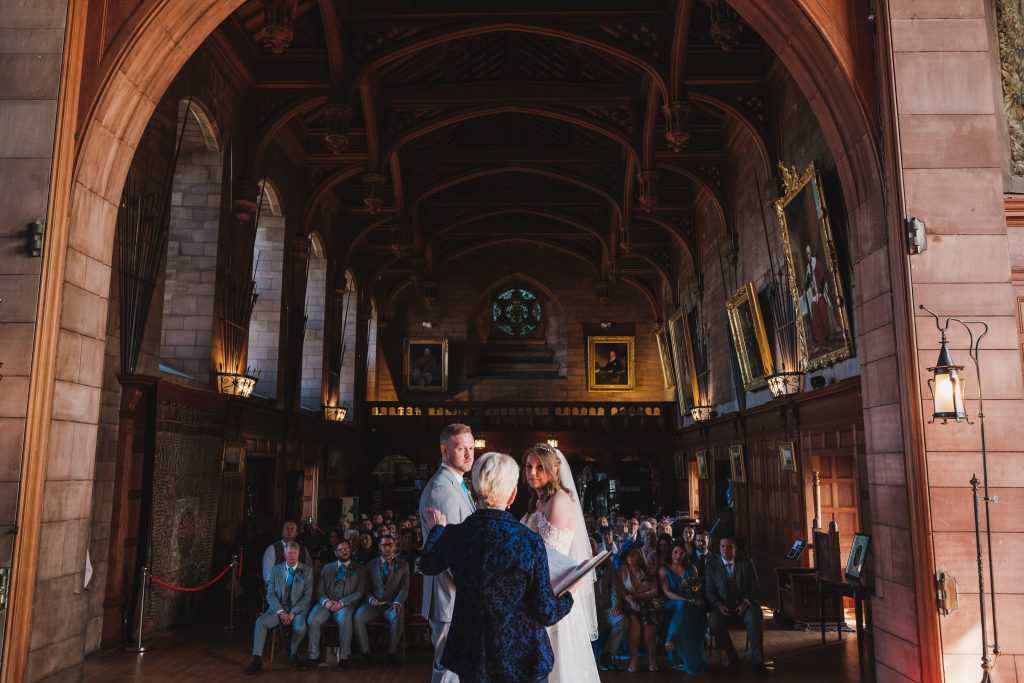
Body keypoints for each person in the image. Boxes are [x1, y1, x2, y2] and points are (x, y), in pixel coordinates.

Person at [420, 451, 573, 683]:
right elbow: (546, 612)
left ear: (474, 491)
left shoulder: (457, 535)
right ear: (512, 495)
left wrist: (437, 530)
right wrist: (569, 596)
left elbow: (428, 564)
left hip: (473, 654)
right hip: (522, 655)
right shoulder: (529, 542)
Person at [521, 443, 601, 683]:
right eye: (528, 466)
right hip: (539, 588)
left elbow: (547, 554)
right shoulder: (538, 501)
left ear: (554, 470)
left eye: (539, 468)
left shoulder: (559, 500)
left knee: (558, 663)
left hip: (553, 591)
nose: (532, 472)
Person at [418, 423, 477, 683]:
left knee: (454, 669)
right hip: (449, 596)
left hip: (454, 596)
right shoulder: (443, 490)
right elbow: (451, 552)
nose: (468, 454)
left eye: (471, 448)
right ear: (444, 450)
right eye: (461, 448)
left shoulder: (457, 484)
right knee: (448, 673)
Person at [246, 542, 313, 674]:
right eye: (289, 553)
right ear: (284, 554)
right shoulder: (276, 570)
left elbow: (307, 598)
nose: (292, 556)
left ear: (298, 554)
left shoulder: (307, 571)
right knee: (261, 622)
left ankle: (293, 654)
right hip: (279, 609)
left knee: (301, 627)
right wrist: (281, 612)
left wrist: (293, 613)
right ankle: (256, 659)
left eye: (294, 553)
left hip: (297, 610)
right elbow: (270, 595)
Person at [705, 537, 768, 677]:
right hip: (723, 607)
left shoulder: (746, 562)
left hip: (745, 605)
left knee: (754, 617)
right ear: (719, 547)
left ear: (735, 548)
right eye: (722, 546)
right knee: (714, 621)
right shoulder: (711, 565)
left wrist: (745, 603)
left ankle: (758, 662)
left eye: (729, 547)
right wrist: (718, 604)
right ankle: (733, 658)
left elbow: (755, 587)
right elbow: (709, 591)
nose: (725, 550)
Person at [303, 540, 365, 671]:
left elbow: (359, 592)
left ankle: (343, 658)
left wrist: (342, 603)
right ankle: (312, 656)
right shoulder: (327, 568)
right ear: (336, 553)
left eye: (347, 549)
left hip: (345, 604)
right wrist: (326, 602)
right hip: (327, 602)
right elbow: (319, 590)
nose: (345, 552)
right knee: (312, 620)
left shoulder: (359, 569)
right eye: (341, 550)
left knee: (345, 621)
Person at [355, 535, 410, 668]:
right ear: (379, 546)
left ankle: (391, 655)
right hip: (373, 604)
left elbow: (404, 587)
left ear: (394, 546)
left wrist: (398, 602)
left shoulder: (403, 565)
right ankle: (366, 654)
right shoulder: (370, 565)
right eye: (384, 545)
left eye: (390, 544)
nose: (387, 547)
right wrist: (370, 599)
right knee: (358, 618)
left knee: (397, 617)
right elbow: (365, 588)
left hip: (391, 604)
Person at [660, 542, 707, 674]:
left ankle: (681, 651)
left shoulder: (691, 568)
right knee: (682, 605)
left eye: (681, 553)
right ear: (671, 552)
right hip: (671, 605)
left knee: (689, 609)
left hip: (690, 606)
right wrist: (686, 599)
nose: (678, 556)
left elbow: (696, 590)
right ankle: (672, 639)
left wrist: (694, 598)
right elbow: (667, 592)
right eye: (675, 552)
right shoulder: (664, 569)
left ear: (685, 555)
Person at [618, 547, 661, 673]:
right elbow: (621, 591)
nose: (630, 557)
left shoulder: (648, 571)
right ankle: (634, 659)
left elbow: (654, 590)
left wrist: (639, 597)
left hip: (647, 603)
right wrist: (631, 600)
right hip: (628, 604)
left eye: (633, 554)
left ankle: (652, 658)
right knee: (634, 623)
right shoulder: (621, 571)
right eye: (628, 555)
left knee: (648, 623)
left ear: (640, 556)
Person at [595, 551, 626, 671]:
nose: (592, 551)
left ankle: (607, 654)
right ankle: (599, 657)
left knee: (622, 620)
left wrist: (615, 605)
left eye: (594, 548)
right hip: (590, 612)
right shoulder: (583, 565)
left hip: (606, 609)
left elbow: (614, 587)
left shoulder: (607, 563)